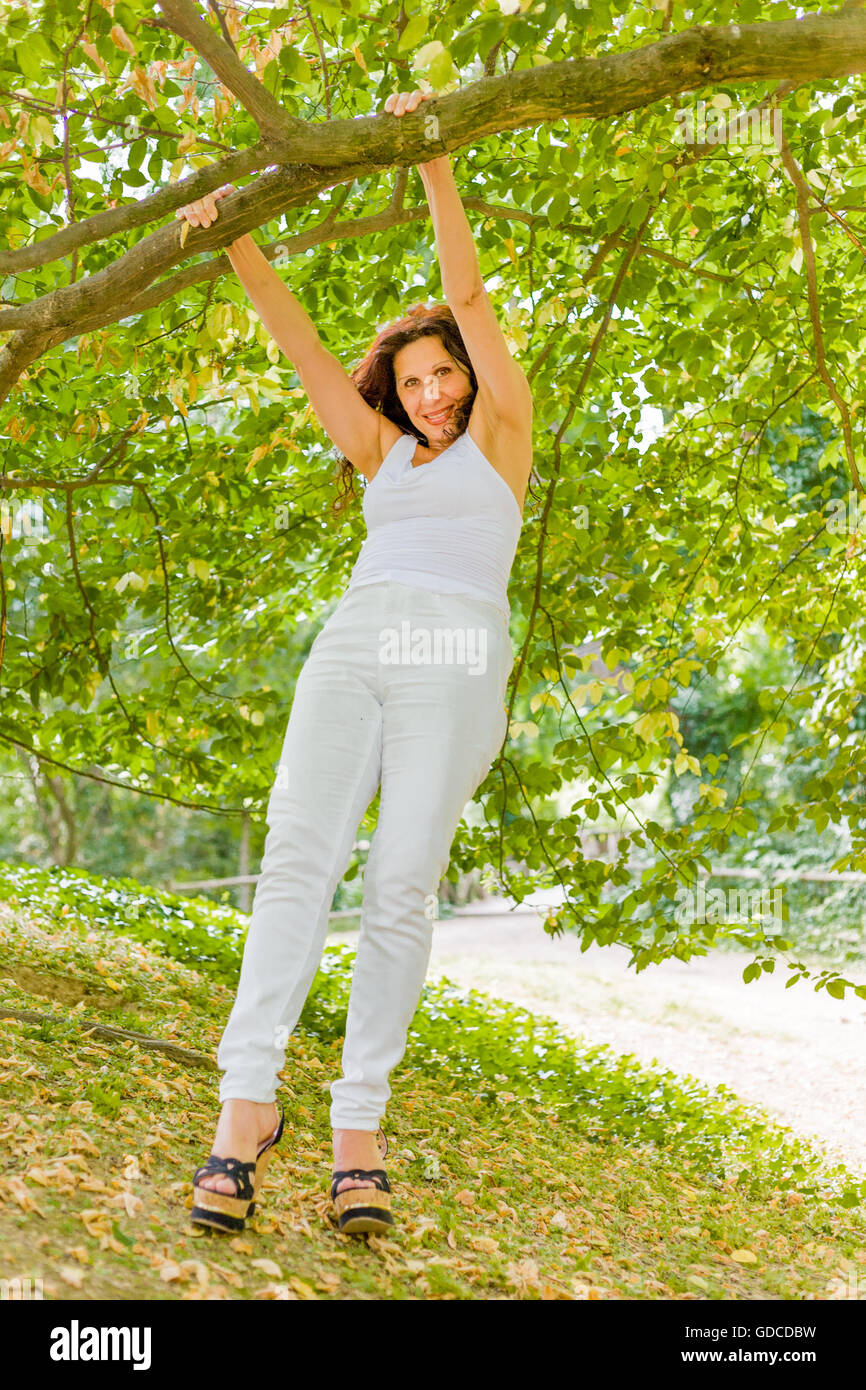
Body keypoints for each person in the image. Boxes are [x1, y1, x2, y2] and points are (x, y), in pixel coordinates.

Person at [176, 88, 533, 1236]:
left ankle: (358, 1130)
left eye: (446, 372)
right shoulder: (379, 457)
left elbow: (469, 295)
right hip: (357, 639)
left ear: (470, 376)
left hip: (455, 650)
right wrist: (234, 234)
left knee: (397, 886)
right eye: (415, 378)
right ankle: (243, 1110)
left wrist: (430, 152)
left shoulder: (501, 439)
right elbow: (298, 347)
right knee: (296, 863)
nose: (431, 392)